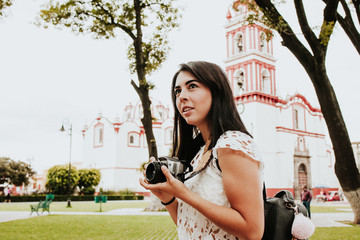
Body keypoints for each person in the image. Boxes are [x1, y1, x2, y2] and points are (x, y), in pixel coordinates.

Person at [140, 61, 264, 239]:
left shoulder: (232, 144)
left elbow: (252, 231)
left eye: (192, 86)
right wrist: (167, 197)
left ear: (216, 91)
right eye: (177, 91)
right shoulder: (198, 153)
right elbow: (189, 223)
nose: (182, 96)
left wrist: (185, 194)